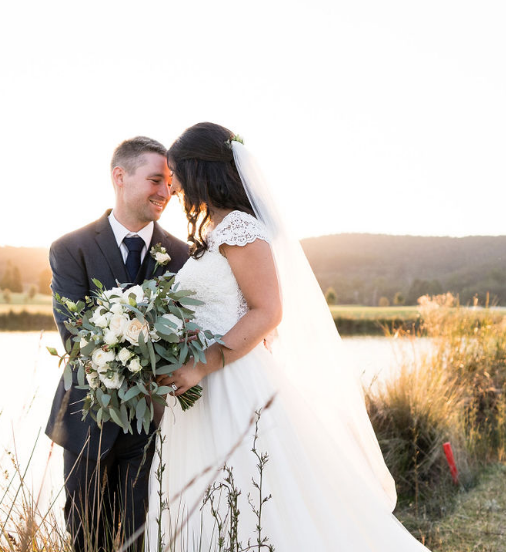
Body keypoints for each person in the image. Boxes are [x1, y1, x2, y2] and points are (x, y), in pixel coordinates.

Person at [146, 122, 431, 551]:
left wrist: (202, 363)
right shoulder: (216, 232)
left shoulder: (241, 229)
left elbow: (268, 311)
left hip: (231, 383)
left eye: (178, 176)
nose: (177, 189)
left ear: (200, 171)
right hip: (199, 387)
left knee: (255, 497)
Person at [46, 136, 190, 552]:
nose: (165, 192)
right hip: (85, 420)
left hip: (153, 425)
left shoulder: (181, 256)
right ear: (119, 176)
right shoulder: (70, 249)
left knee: (137, 540)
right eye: (155, 180)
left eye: (169, 182)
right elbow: (76, 336)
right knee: (87, 539)